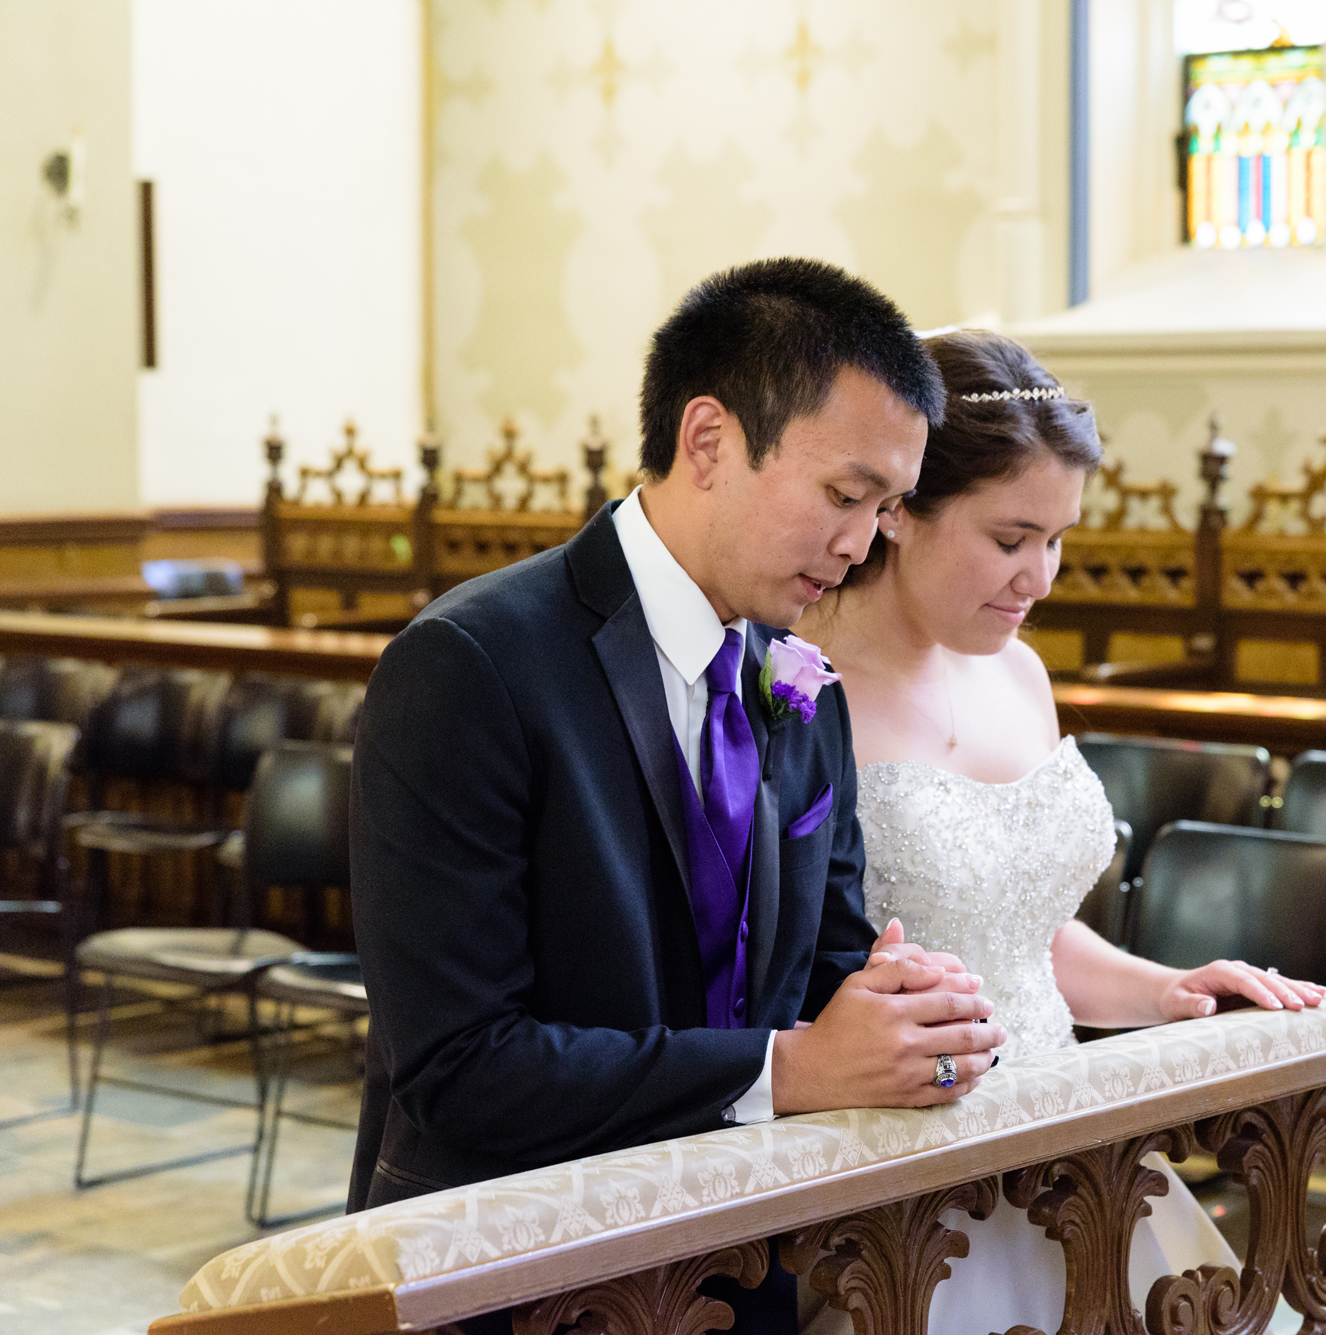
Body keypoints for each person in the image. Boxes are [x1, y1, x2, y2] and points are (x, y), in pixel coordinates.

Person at [347, 260, 1005, 1333]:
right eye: (844, 495)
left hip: (748, 1271)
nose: (857, 544)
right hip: (515, 1269)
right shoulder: (471, 665)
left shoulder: (801, 684)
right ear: (707, 440)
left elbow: (823, 963)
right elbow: (458, 1067)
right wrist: (786, 1067)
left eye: (885, 509)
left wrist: (894, 1005)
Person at [793, 329, 1324, 1335]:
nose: (1039, 576)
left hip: (1071, 1143)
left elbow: (1023, 934)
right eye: (1008, 539)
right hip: (900, 1174)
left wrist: (1163, 990)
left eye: (1057, 538)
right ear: (899, 511)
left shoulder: (1019, 674)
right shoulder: (797, 689)